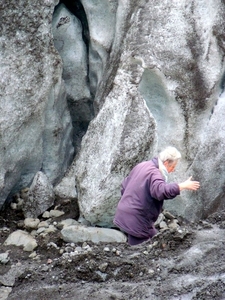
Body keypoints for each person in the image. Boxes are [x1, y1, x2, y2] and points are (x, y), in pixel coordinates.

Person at [113, 146, 200, 246]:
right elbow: (161, 191)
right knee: (139, 251)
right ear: (166, 162)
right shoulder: (155, 173)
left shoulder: (142, 165)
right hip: (136, 220)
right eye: (173, 166)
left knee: (156, 240)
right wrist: (181, 186)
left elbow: (124, 186)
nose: (173, 170)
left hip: (126, 214)